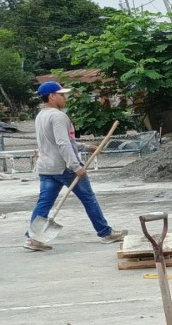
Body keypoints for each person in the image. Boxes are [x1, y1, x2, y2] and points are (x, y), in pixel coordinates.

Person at [24, 82, 124, 251]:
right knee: (88, 199)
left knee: (44, 204)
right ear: (52, 96)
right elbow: (62, 143)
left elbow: (59, 142)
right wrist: (76, 166)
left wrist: (86, 147)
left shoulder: (41, 115)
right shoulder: (59, 116)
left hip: (47, 168)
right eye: (61, 95)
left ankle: (32, 238)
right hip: (65, 169)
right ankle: (106, 233)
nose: (65, 98)